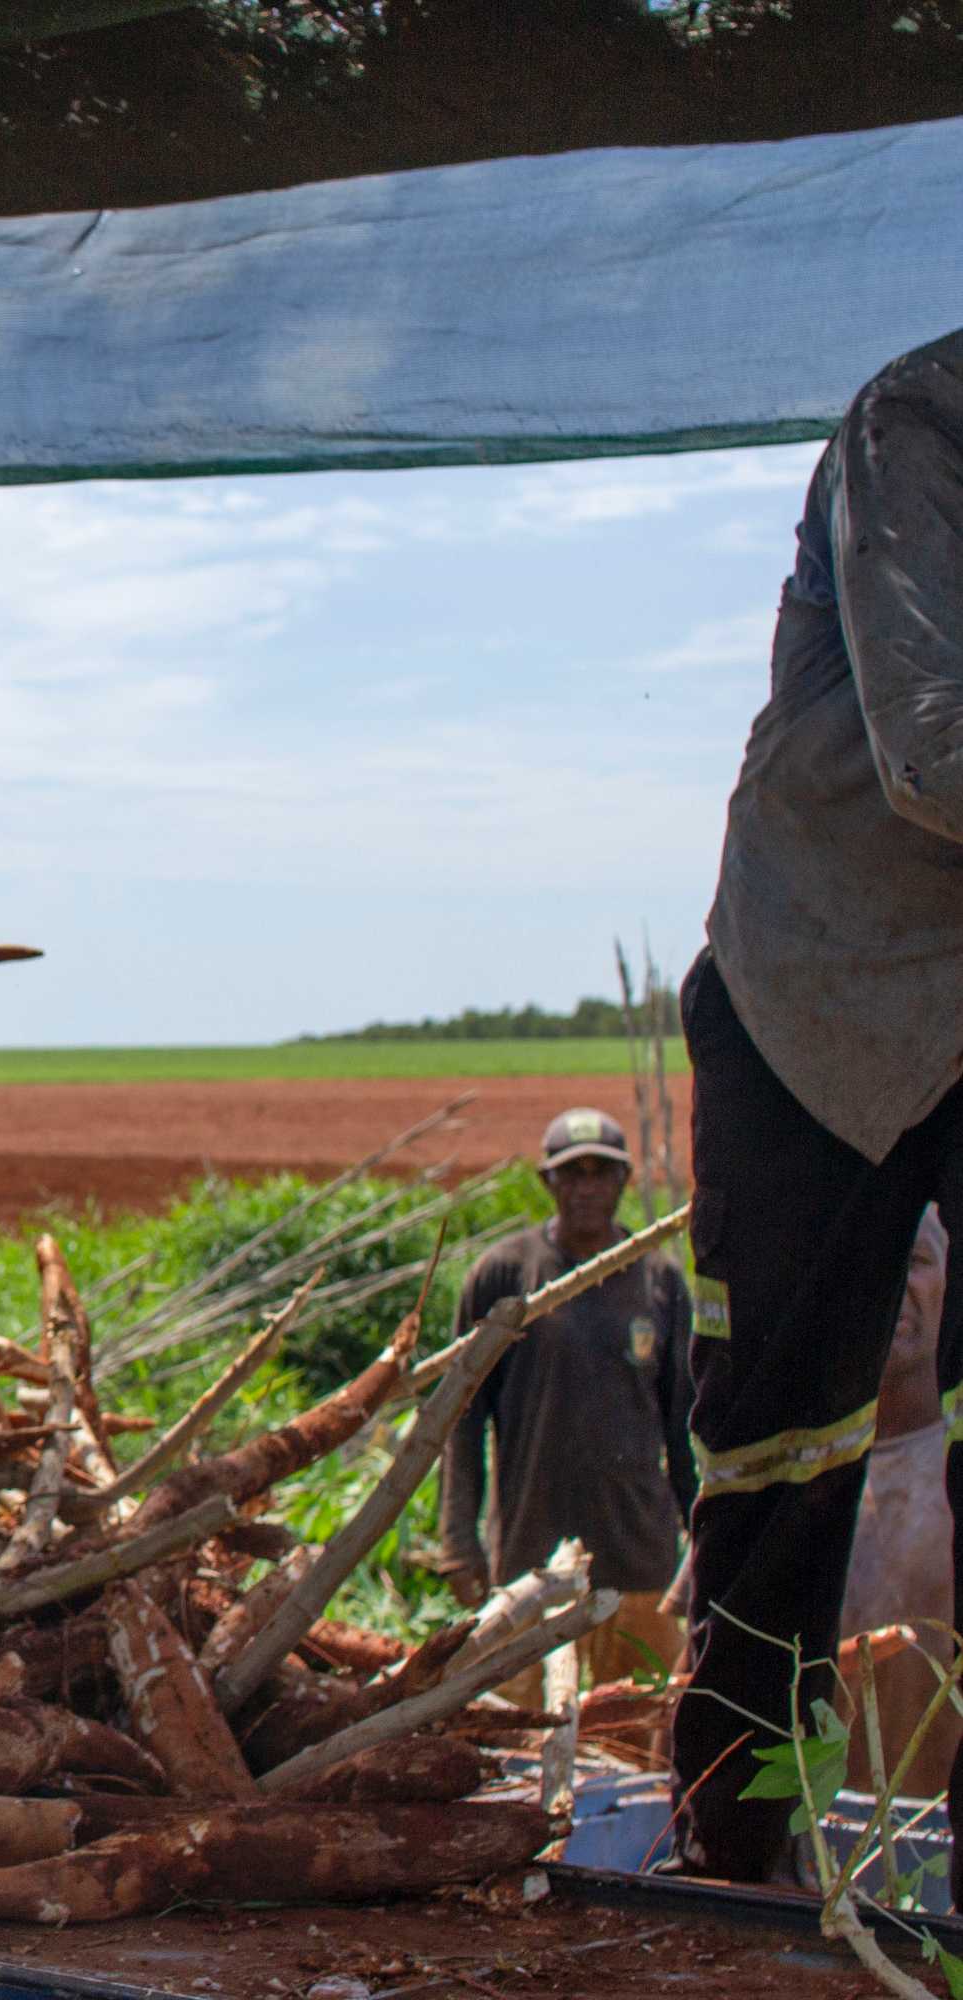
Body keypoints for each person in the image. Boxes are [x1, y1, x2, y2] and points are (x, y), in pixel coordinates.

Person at [673, 325, 963, 1882]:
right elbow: (935, 752)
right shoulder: (925, 423)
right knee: (786, 1458)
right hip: (821, 999)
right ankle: (744, 1844)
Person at [435, 1108, 695, 1693]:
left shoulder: (658, 1280)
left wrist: (700, 1535)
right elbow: (462, 1419)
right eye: (570, 1175)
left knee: (634, 1731)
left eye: (600, 1174)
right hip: (532, 1560)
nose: (585, 1189)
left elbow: (682, 1425)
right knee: (523, 1738)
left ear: (623, 1182)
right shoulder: (504, 1275)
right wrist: (459, 1541)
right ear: (547, 1182)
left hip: (637, 1563)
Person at [835, 1210, 960, 1793]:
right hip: (810, 1861)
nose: (888, 1281)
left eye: (911, 1262)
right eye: (871, 1261)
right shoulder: (786, 1472)